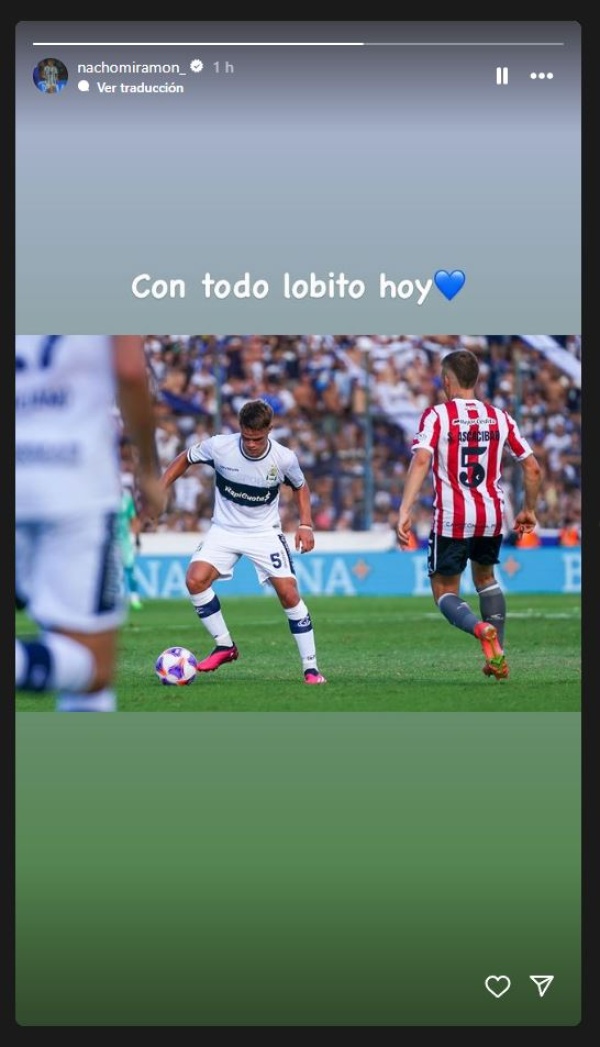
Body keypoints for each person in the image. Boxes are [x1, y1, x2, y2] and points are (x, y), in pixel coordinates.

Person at [15, 335, 165, 711]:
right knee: (93, 667)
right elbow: (130, 370)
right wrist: (148, 468)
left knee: (75, 667)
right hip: (74, 484)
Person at [397, 349, 542, 680]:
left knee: (445, 592)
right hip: (491, 515)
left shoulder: (437, 415)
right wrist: (529, 509)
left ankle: (480, 629)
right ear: (475, 380)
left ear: (447, 381)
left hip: (453, 517)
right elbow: (532, 468)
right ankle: (498, 655)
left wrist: (405, 509)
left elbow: (421, 460)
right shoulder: (500, 417)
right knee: (486, 580)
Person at [159, 398, 327, 684]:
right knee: (195, 580)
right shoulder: (219, 446)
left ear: (269, 430)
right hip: (224, 529)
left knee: (288, 594)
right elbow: (186, 457)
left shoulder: (283, 458)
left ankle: (311, 668)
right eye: (246, 437)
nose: (251, 444)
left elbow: (300, 486)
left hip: (264, 532)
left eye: (257, 439)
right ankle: (225, 646)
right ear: (239, 428)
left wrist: (305, 525)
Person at [118, 480, 144, 610]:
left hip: (124, 541)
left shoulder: (127, 499)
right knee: (115, 573)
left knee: (130, 568)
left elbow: (133, 519)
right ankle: (117, 599)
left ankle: (134, 597)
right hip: (109, 543)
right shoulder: (105, 499)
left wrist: (137, 539)